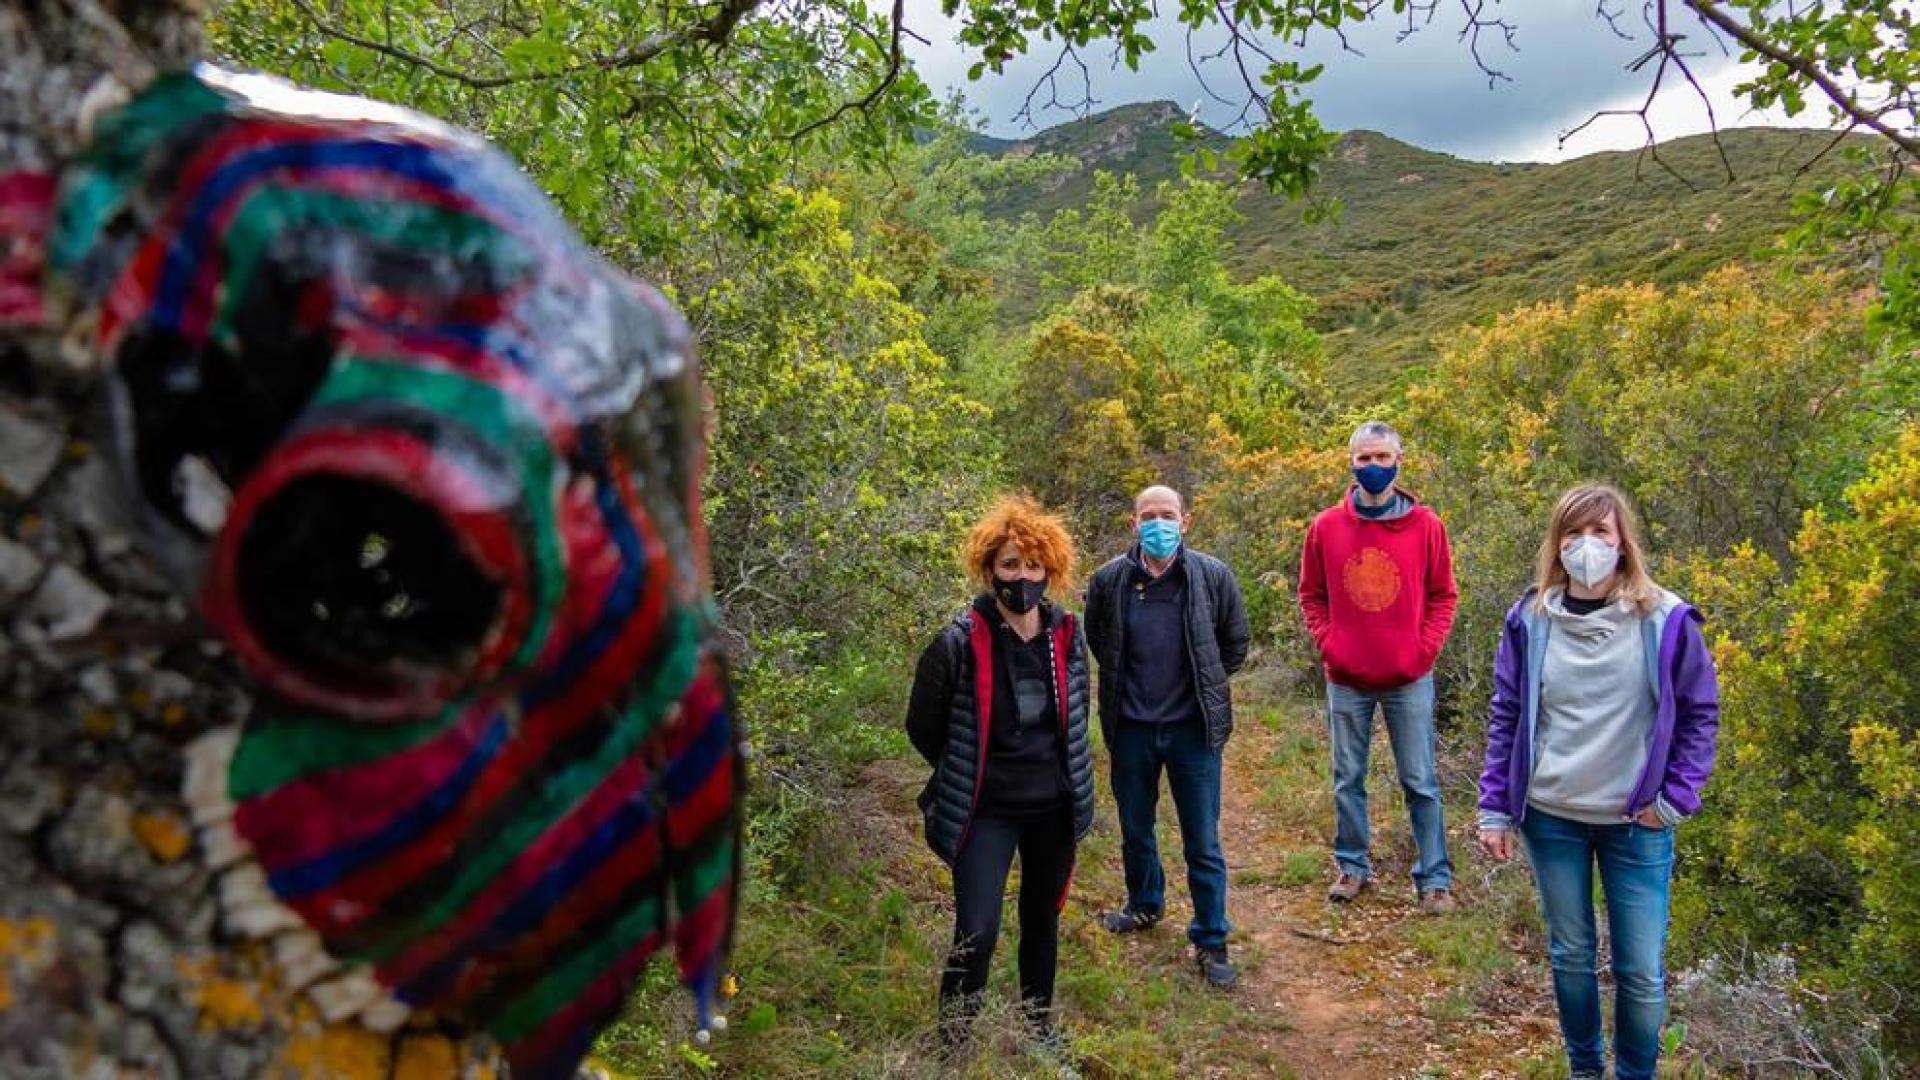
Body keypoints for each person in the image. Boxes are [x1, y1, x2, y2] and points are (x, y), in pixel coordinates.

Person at [1477, 483, 1720, 1080]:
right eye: (1574, 533)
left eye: (1601, 533)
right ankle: (1585, 1070)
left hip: (1636, 822)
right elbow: (1507, 711)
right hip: (1552, 813)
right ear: (1557, 545)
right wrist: (1494, 807)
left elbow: (1699, 712)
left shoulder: (1665, 618)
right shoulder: (1531, 619)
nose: (1588, 545)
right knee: (1573, 956)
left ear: (1623, 542)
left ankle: (1635, 1074)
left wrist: (1675, 800)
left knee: (1639, 969)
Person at [905, 495, 1095, 1053]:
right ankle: (954, 1042)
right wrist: (967, 769)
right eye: (1010, 565)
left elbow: (1076, 717)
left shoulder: (1067, 636)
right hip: (984, 810)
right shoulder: (957, 642)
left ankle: (1039, 1028)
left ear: (1050, 569)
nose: (1022, 577)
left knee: (1042, 922)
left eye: (1033, 565)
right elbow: (924, 728)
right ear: (990, 569)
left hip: (1052, 810)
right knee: (977, 930)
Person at [1085, 485, 1250, 989]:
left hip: (1193, 731)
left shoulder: (1213, 575)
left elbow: (1234, 644)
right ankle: (1144, 905)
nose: (1159, 523)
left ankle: (1211, 938)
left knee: (1202, 839)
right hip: (1131, 728)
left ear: (1186, 520)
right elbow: (1099, 641)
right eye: (1148, 515)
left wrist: (1201, 685)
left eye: (1168, 514)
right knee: (1136, 830)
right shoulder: (1110, 580)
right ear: (1133, 522)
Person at [1297, 420, 1459, 913]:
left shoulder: (1427, 526)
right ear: (1351, 462)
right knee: (1348, 776)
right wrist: (1331, 646)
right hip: (1346, 677)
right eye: (1364, 458)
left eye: (1382, 458)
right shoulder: (1326, 527)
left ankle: (1434, 878)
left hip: (1409, 677)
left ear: (1398, 461)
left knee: (1421, 780)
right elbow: (1311, 595)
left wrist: (1422, 651)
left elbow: (1443, 596)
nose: (1373, 467)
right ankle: (1352, 866)